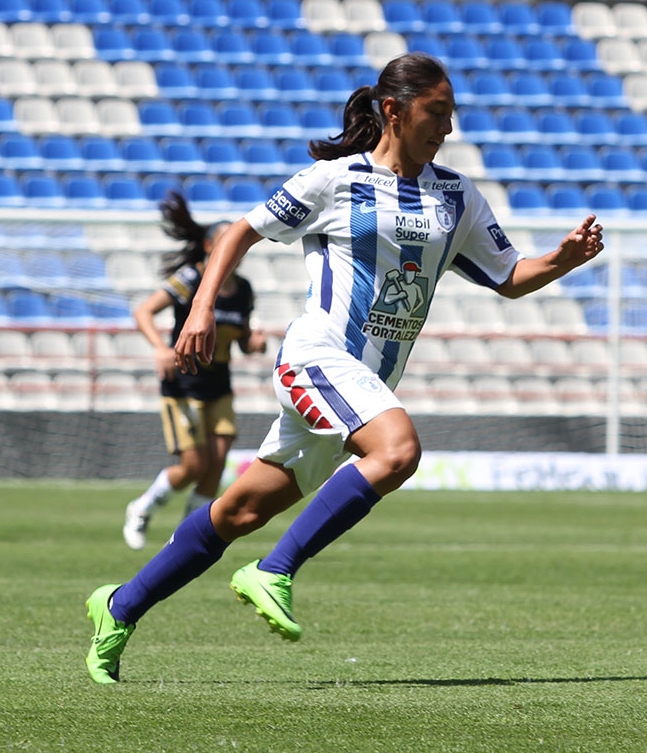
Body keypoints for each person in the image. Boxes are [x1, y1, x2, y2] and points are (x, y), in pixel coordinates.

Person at [84, 52, 605, 683]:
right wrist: (198, 309)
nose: (447, 128)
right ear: (394, 110)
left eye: (451, 114)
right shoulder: (335, 179)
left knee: (240, 512)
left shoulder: (457, 195)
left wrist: (563, 258)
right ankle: (273, 570)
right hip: (316, 359)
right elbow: (237, 234)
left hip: (363, 385)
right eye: (436, 113)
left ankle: (118, 606)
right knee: (397, 450)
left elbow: (510, 277)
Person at [123, 192, 267, 550]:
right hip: (184, 382)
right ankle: (141, 508)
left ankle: (184, 537)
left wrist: (255, 344)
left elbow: (242, 340)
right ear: (208, 246)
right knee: (193, 465)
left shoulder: (243, 290)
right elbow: (143, 312)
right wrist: (160, 348)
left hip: (220, 383)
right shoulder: (191, 278)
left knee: (216, 464)